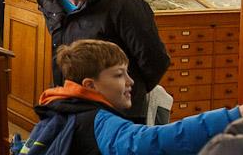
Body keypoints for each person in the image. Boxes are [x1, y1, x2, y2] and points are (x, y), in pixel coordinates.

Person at [20, 39, 241, 154]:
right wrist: (232, 116)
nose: (130, 81)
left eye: (127, 72)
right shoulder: (99, 122)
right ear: (90, 84)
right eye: (118, 75)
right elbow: (156, 141)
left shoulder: (59, 107)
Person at [38, 0, 170, 124]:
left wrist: (125, 92)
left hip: (120, 114)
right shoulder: (50, 4)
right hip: (75, 108)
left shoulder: (124, 4)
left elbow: (155, 60)